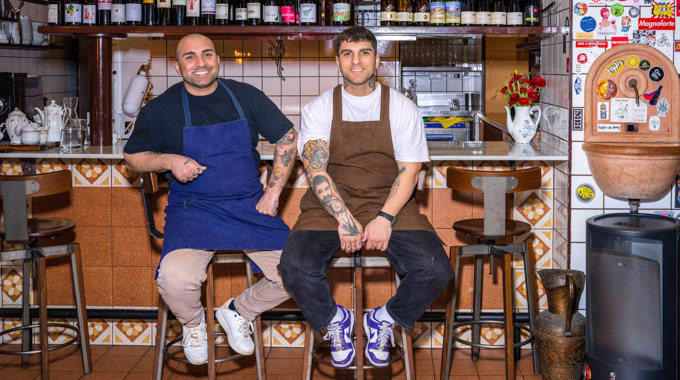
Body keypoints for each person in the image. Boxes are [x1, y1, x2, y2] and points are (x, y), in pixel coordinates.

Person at [277, 26, 453, 369]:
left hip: (391, 203)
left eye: (364, 53)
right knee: (294, 266)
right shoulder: (320, 108)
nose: (356, 61)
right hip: (328, 206)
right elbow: (316, 171)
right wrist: (344, 219)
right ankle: (335, 321)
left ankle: (383, 319)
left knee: (436, 269)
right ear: (338, 61)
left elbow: (409, 172)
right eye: (347, 53)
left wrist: (385, 218)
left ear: (377, 59)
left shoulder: (403, 108)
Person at [124, 34, 297, 365]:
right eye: (190, 57)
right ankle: (193, 325)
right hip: (193, 210)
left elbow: (287, 136)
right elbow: (133, 157)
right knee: (174, 279)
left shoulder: (245, 96)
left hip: (249, 205)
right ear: (177, 66)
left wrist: (273, 192)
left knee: (300, 272)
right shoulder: (161, 109)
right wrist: (169, 161)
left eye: (206, 55)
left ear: (217, 60)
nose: (200, 63)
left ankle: (238, 311)